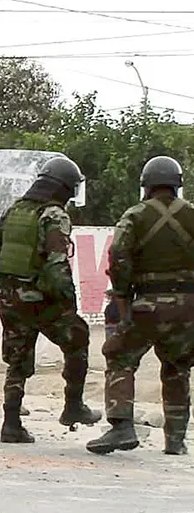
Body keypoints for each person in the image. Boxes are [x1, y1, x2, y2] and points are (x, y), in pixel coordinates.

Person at [0, 156, 101, 443]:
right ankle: (73, 407)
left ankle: (11, 424)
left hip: (7, 296)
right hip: (40, 298)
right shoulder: (54, 215)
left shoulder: (15, 210)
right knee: (78, 338)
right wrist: (69, 304)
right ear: (63, 188)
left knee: (17, 360)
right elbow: (57, 265)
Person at [87, 156, 194, 455]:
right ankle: (175, 440)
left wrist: (121, 296)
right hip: (188, 307)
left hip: (148, 303)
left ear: (145, 186)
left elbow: (118, 255)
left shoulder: (135, 215)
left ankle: (121, 426)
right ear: (177, 185)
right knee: (177, 368)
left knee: (120, 356)